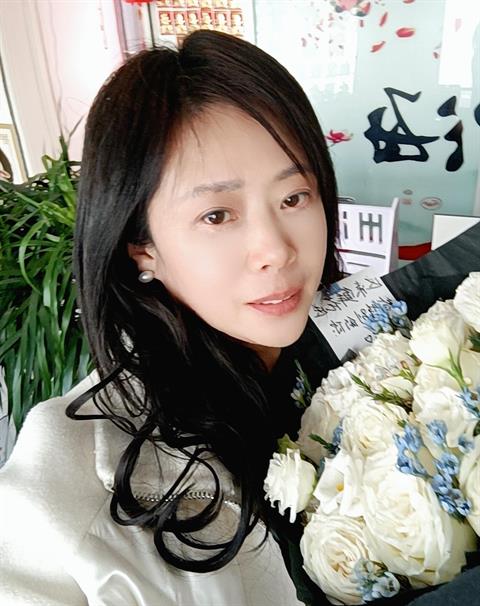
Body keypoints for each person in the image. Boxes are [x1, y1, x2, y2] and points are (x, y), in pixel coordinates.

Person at [0, 30, 340, 606]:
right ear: (142, 248)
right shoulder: (66, 486)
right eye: (217, 215)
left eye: (293, 197)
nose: (276, 250)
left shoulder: (368, 358)